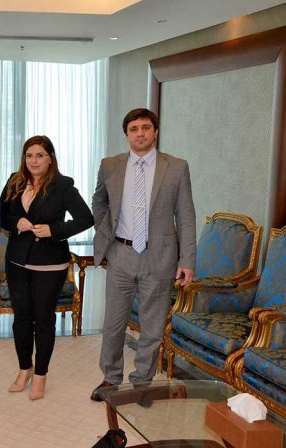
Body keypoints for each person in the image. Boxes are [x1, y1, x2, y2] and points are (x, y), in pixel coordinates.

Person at [90, 108, 196, 401]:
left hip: (159, 257)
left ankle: (142, 384)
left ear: (155, 132)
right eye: (134, 129)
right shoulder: (110, 165)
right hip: (121, 253)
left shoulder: (176, 167)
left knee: (152, 326)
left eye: (146, 127)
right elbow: (99, 202)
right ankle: (110, 379)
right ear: (127, 135)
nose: (140, 133)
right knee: (113, 324)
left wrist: (187, 260)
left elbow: (186, 215)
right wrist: (105, 233)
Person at [0, 135, 93, 400]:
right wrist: (15, 222)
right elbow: (0, 214)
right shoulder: (15, 181)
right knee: (21, 319)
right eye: (29, 155)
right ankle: (24, 369)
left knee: (43, 319)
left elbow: (86, 218)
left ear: (50, 158)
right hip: (17, 261)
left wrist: (54, 230)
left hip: (50, 263)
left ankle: (40, 374)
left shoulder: (63, 186)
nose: (34, 161)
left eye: (39, 155)